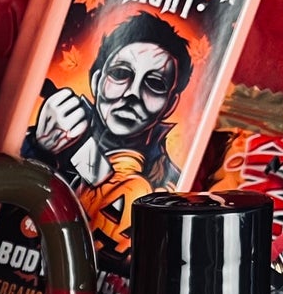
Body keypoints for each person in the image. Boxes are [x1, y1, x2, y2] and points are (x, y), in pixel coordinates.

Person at [25, 10, 194, 195]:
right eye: (120, 73)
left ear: (170, 105)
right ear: (96, 81)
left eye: (154, 83)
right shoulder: (48, 130)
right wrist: (37, 148)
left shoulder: (169, 184)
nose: (133, 93)